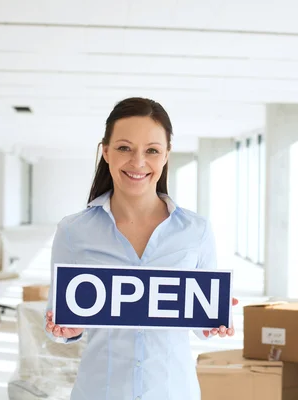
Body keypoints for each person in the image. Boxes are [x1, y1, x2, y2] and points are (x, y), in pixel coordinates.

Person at [43, 97, 237, 400]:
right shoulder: (73, 231)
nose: (138, 162)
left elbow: (201, 327)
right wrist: (67, 328)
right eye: (124, 148)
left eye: (152, 150)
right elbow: (61, 318)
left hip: (173, 391)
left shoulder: (196, 232)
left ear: (166, 155)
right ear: (105, 152)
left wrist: (216, 320)